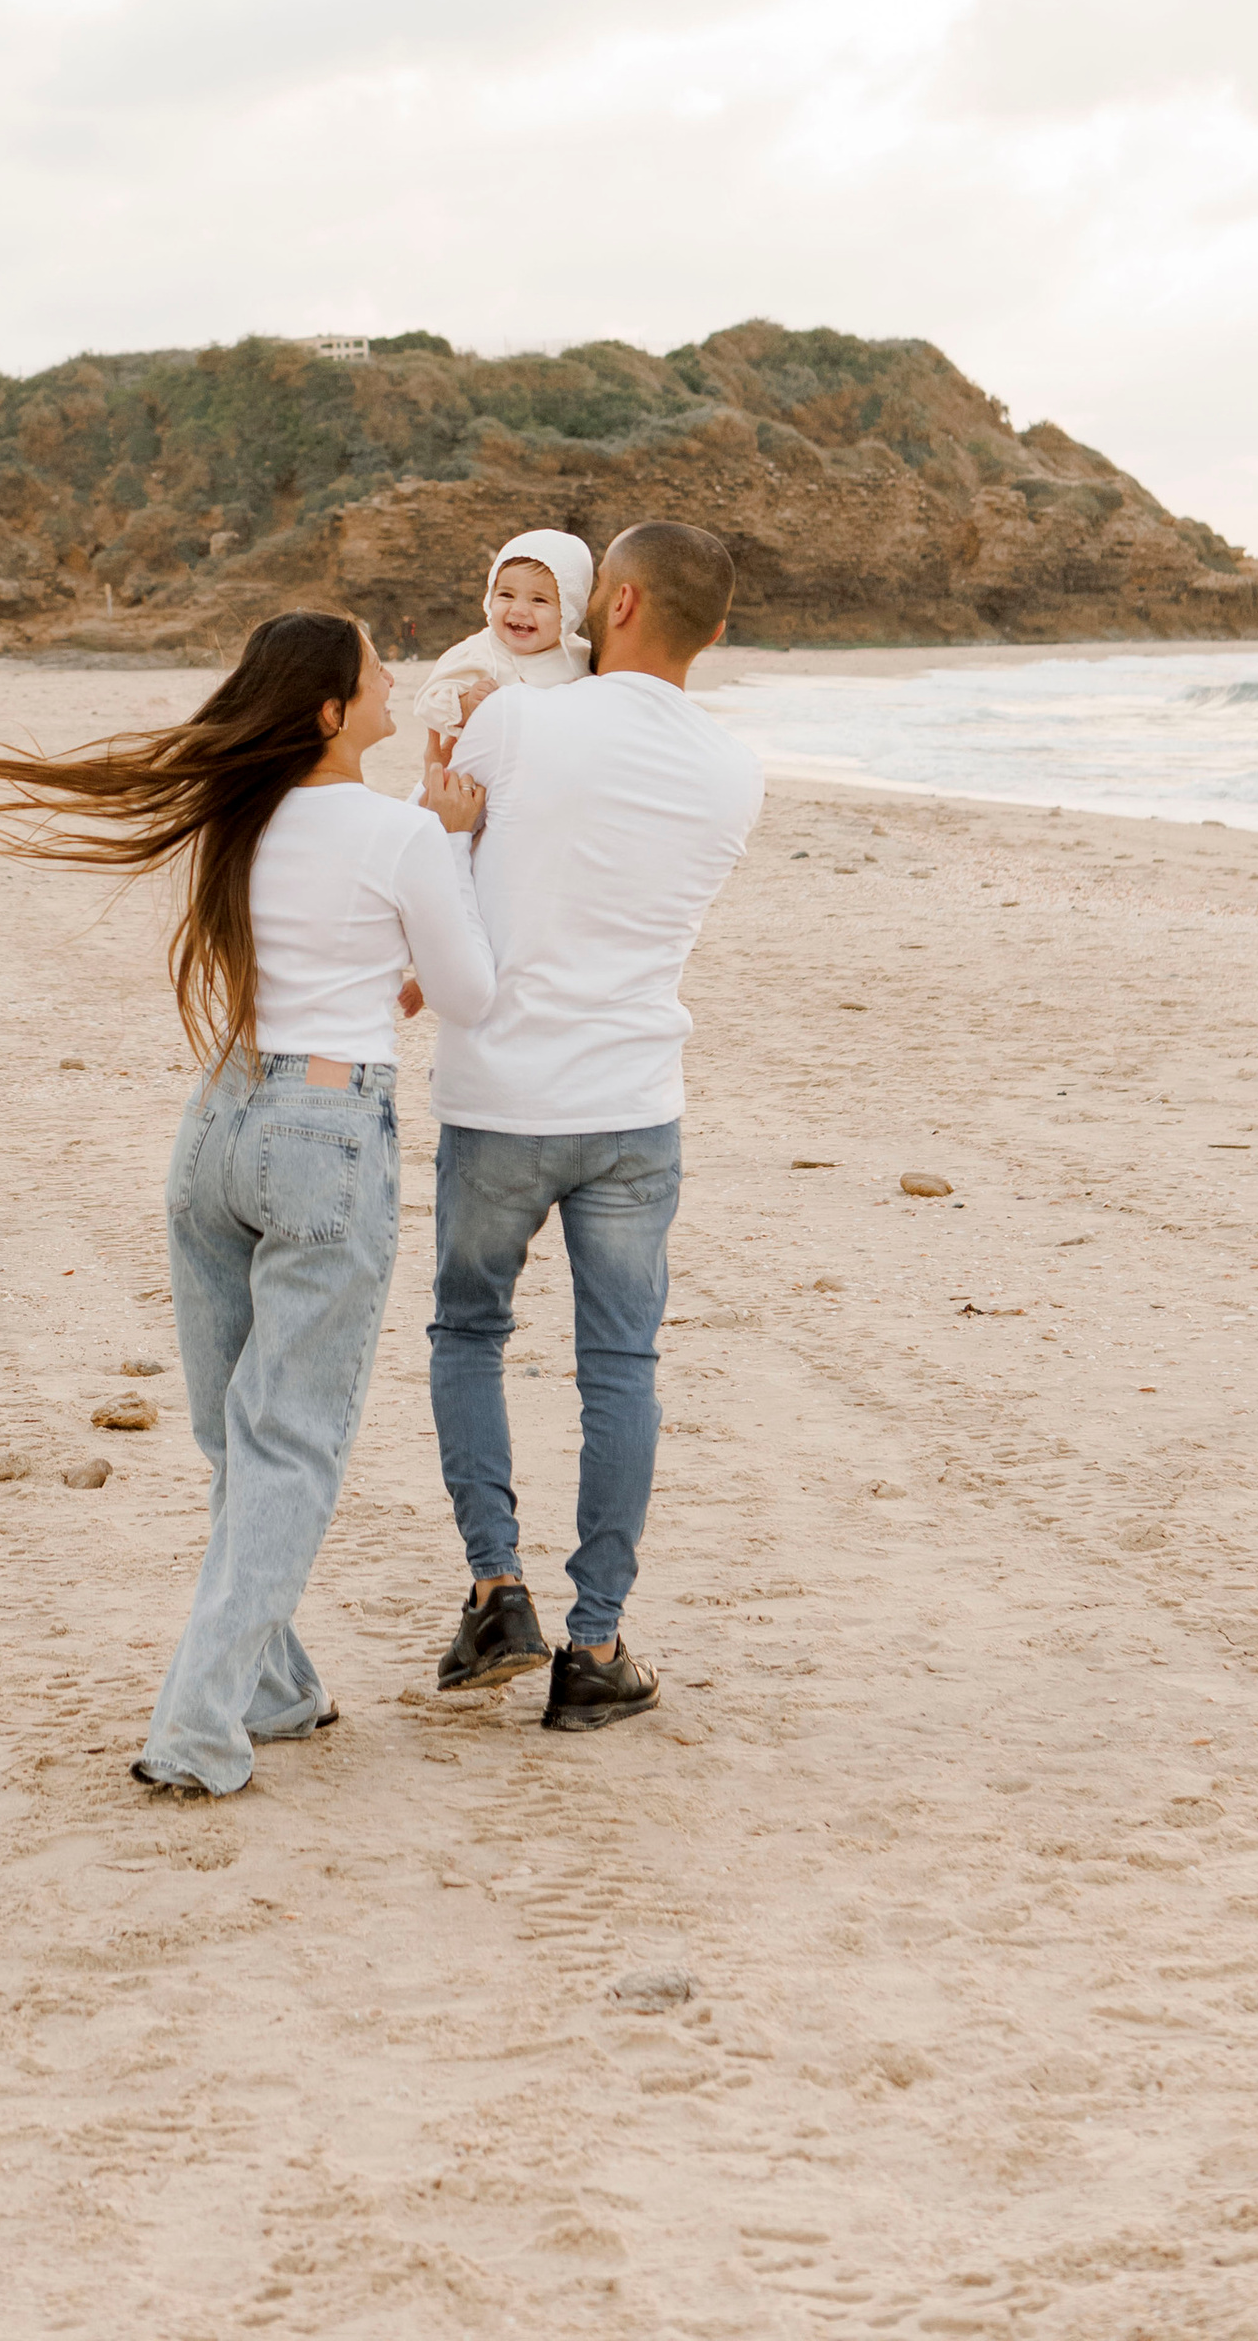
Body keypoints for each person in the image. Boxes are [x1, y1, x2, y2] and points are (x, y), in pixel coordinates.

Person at [0, 612, 493, 1798]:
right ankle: (195, 1725)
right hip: (324, 1135)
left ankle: (275, 1688)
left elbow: (324, 967)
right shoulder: (400, 835)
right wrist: (452, 848)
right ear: (333, 711)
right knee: (287, 1441)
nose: (395, 674)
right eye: (374, 663)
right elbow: (469, 996)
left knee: (233, 1432)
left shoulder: (240, 818)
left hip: (219, 1123)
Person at [420, 520, 763, 1733]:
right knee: (620, 1367)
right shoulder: (736, 773)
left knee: (470, 1331)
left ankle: (497, 1589)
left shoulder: (517, 722)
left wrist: (440, 815)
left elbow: (446, 860)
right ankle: (596, 1644)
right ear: (712, 631)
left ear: (605, 603)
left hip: (501, 1092)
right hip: (632, 1104)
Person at [412, 529, 595, 740]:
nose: (519, 609)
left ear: (570, 610)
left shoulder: (582, 657)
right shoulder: (477, 652)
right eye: (506, 595)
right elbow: (428, 703)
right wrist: (467, 704)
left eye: (539, 600)